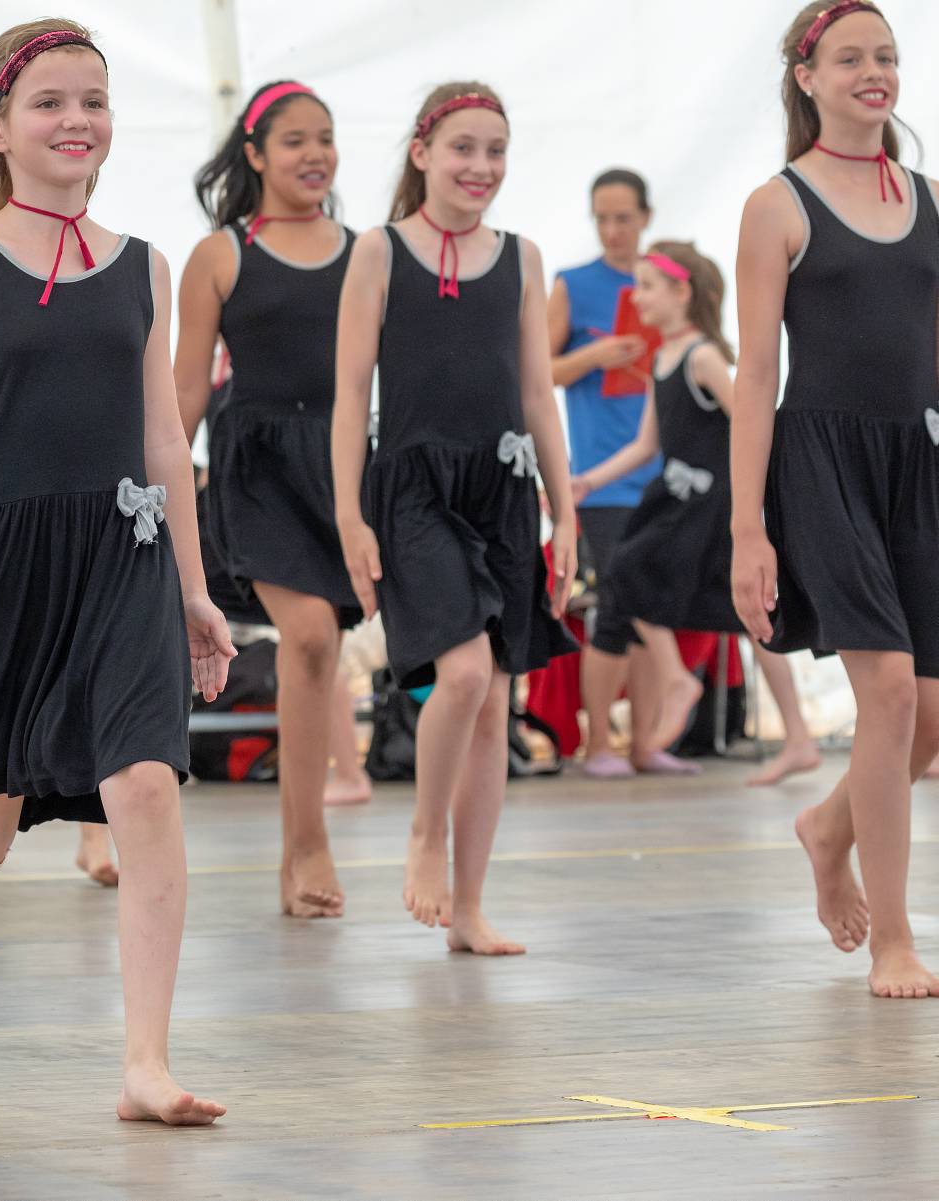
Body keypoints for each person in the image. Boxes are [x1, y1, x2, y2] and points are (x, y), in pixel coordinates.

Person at [0, 21, 230, 1124]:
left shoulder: (144, 267)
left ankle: (145, 1063)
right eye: (50, 103)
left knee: (145, 785)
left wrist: (193, 587)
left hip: (122, 555)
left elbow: (163, 437)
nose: (77, 121)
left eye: (94, 101)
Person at [333, 82, 576, 955]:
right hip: (413, 489)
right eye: (463, 147)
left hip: (503, 488)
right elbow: (349, 395)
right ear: (423, 152)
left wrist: (565, 511)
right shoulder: (378, 251)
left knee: (495, 700)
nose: (481, 166)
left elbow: (538, 394)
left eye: (495, 150)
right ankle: (423, 833)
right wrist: (349, 517)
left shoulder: (522, 257)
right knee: (464, 674)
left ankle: (469, 908)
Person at [731, 0, 939, 998]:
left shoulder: (930, 198)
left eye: (886, 55)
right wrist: (747, 529)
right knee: (888, 690)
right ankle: (895, 938)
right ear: (807, 78)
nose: (874, 71)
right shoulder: (778, 204)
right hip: (822, 464)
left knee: (929, 715)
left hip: (918, 463)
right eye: (851, 57)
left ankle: (826, 828)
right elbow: (753, 375)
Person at [176, 80, 363, 920]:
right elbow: (186, 387)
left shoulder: (367, 250)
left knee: (321, 650)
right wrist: (154, 489)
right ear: (254, 154)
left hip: (340, 465)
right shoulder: (220, 255)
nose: (314, 153)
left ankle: (302, 841)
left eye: (325, 137)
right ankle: (307, 844)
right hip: (255, 465)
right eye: (294, 140)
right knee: (311, 632)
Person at [570, 242, 820, 784]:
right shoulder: (662, 358)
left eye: (646, 287)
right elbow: (646, 446)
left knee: (628, 568)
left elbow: (750, 418)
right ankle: (798, 737)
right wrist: (587, 480)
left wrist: (765, 496)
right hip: (678, 498)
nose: (637, 298)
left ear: (681, 292)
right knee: (751, 619)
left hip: (710, 506)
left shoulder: (703, 357)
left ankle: (678, 679)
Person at [548, 168, 664, 777]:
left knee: (652, 611)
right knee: (619, 608)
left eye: (623, 218)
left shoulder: (662, 281)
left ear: (646, 217)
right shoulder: (573, 284)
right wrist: (595, 354)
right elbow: (539, 370)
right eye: (602, 218)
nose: (613, 230)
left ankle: (645, 742)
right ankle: (598, 744)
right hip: (599, 477)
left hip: (659, 470)